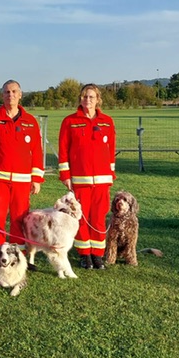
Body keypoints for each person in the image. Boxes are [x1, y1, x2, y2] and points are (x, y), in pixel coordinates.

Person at [0, 79, 44, 249]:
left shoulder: (30, 121)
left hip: (22, 181)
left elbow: (37, 151)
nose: (10, 95)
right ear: (2, 95)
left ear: (20, 95)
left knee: (19, 218)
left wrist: (36, 179)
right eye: (7, 92)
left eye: (14, 92)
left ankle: (18, 254)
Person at [58, 83, 116, 270]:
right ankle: (84, 254)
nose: (87, 100)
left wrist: (110, 174)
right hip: (80, 180)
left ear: (98, 99)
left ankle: (97, 254)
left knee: (98, 217)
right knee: (81, 218)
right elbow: (63, 150)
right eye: (84, 96)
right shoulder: (70, 121)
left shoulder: (107, 121)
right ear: (80, 99)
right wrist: (65, 174)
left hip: (102, 180)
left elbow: (111, 150)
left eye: (91, 97)